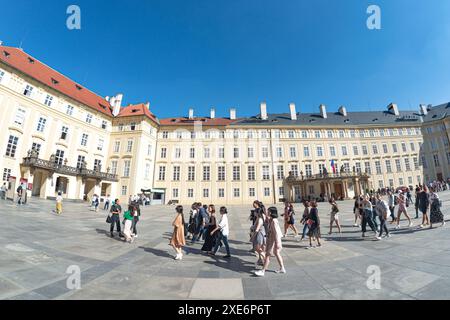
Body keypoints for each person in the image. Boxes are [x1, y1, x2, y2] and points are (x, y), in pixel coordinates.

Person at [255, 207, 286, 276]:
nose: (267, 212)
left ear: (271, 212)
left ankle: (263, 271)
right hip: (272, 240)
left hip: (274, 241)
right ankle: (282, 268)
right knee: (276, 253)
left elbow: (276, 232)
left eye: (268, 211)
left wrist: (277, 242)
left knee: (267, 255)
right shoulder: (272, 220)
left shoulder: (274, 221)